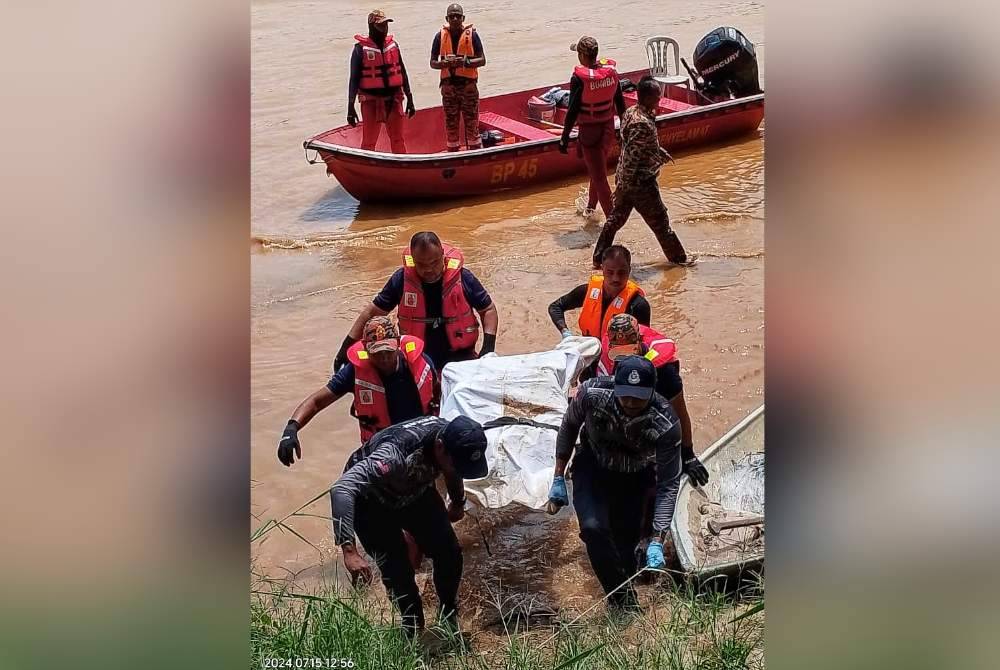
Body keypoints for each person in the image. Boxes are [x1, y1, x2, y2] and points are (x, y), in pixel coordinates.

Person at [545, 357, 709, 611]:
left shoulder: (665, 422)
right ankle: (624, 605)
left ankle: (624, 595)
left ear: (652, 391)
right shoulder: (592, 393)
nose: (631, 403)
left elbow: (667, 484)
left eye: (639, 397)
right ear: (615, 385)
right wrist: (558, 474)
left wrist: (658, 536)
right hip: (592, 467)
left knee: (625, 552)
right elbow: (569, 426)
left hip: (635, 478)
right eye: (626, 396)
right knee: (593, 528)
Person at [330, 415, 488, 636]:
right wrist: (349, 550)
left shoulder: (452, 436)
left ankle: (448, 616)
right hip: (371, 504)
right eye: (457, 463)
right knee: (399, 574)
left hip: (414, 491)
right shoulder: (393, 456)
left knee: (449, 552)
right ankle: (413, 633)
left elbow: (454, 470)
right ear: (440, 447)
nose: (457, 470)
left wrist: (457, 502)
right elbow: (342, 489)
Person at [277, 316, 438, 467]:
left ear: (397, 343)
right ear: (366, 350)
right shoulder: (354, 372)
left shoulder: (420, 361)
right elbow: (317, 401)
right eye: (377, 353)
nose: (384, 358)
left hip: (422, 441)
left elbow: (437, 390)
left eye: (388, 351)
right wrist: (291, 429)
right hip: (383, 450)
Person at [333, 232, 499, 373]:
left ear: (442, 254)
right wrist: (345, 348)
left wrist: (487, 349)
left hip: (461, 356)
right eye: (421, 264)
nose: (428, 270)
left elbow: (488, 310)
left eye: (434, 262)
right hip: (416, 357)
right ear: (412, 260)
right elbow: (371, 313)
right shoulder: (401, 280)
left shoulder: (463, 278)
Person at [591, 76, 695, 269]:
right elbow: (632, 156)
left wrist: (657, 151)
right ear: (647, 98)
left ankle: (598, 259)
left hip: (627, 179)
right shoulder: (642, 123)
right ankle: (680, 259)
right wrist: (623, 188)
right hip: (640, 183)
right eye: (657, 96)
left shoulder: (631, 112)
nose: (660, 99)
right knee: (661, 223)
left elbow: (629, 145)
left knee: (615, 221)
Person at [559, 36, 626, 219]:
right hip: (607, 129)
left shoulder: (578, 79)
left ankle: (612, 222)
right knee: (598, 170)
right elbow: (620, 102)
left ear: (581, 55)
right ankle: (590, 209)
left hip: (589, 133)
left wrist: (564, 137)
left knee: (599, 178)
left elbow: (572, 110)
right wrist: (625, 127)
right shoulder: (610, 73)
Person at [348, 9, 416, 152]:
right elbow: (353, 79)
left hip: (394, 99)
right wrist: (350, 107)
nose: (384, 29)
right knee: (369, 141)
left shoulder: (394, 46)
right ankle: (366, 170)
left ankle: (402, 168)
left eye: (386, 25)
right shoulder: (360, 50)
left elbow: (402, 72)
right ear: (372, 27)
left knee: (398, 139)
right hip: (371, 101)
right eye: (380, 26)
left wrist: (409, 99)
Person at [548, 245, 649, 339]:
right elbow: (555, 307)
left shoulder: (638, 305)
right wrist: (565, 332)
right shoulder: (586, 291)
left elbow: (644, 340)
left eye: (621, 272)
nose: (616, 278)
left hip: (618, 355)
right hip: (589, 349)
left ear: (629, 270)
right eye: (610, 272)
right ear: (602, 269)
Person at [430, 4, 486, 151]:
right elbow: (432, 62)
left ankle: (475, 153)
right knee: (451, 123)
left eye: (458, 16)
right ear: (447, 18)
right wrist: (444, 63)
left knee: (472, 122)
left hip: (468, 86)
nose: (455, 19)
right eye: (452, 16)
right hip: (449, 87)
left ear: (463, 18)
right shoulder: (439, 36)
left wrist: (465, 62)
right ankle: (453, 152)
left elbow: (482, 60)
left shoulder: (472, 35)